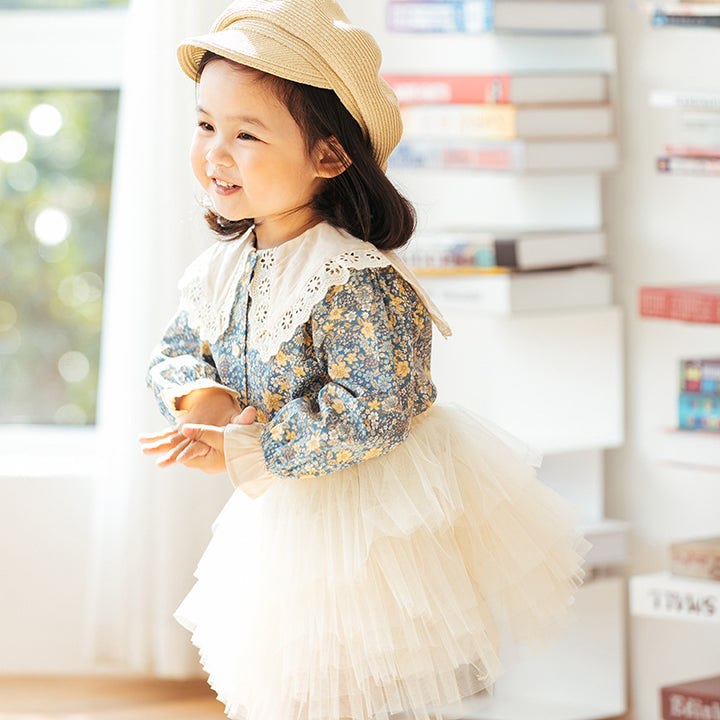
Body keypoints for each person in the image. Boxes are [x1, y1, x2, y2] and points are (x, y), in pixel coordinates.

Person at [139, 1, 589, 719]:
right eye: (205, 125)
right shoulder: (223, 268)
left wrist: (252, 449)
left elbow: (375, 408)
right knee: (293, 678)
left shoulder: (354, 280)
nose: (216, 153)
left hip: (367, 512)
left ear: (329, 156)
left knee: (360, 682)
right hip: (288, 505)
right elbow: (174, 353)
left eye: (246, 134)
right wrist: (207, 402)